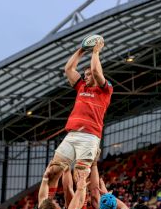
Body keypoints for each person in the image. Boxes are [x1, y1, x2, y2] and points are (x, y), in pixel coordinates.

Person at [43, 36, 113, 199]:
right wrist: (82, 50)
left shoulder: (105, 90)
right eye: (84, 74)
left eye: (88, 74)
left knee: (80, 177)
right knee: (53, 172)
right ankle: (47, 208)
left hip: (89, 137)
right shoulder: (81, 87)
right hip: (72, 135)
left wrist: (96, 52)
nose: (85, 76)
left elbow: (96, 71)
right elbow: (69, 69)